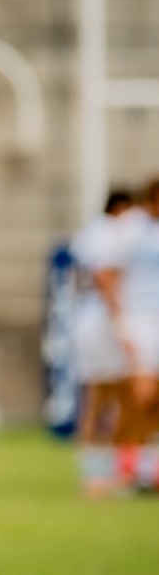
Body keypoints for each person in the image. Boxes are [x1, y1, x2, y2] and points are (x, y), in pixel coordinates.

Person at [69, 189, 134, 496]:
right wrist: (122, 322)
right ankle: (98, 476)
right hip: (102, 322)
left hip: (91, 320)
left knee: (109, 398)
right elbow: (105, 279)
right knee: (107, 397)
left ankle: (109, 473)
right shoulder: (109, 235)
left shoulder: (89, 234)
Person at [100, 178, 159, 491]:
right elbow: (107, 275)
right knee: (139, 395)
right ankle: (123, 468)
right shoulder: (131, 229)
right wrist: (120, 324)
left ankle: (148, 469)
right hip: (139, 319)